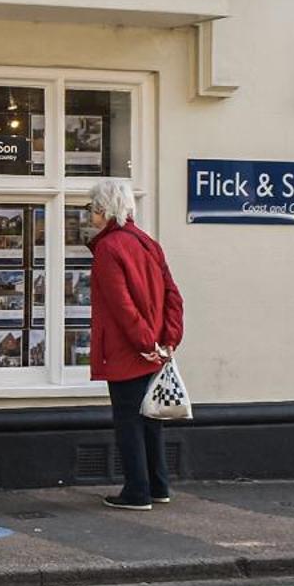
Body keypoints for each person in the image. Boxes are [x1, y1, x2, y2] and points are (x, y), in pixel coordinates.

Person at [86, 177, 184, 509]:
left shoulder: (108, 249)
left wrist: (144, 342)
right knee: (151, 420)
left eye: (91, 208)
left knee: (128, 423)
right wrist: (167, 341)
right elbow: (174, 296)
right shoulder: (149, 244)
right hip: (153, 350)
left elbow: (121, 305)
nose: (90, 215)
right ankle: (159, 486)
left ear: (103, 210)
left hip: (128, 351)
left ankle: (137, 492)